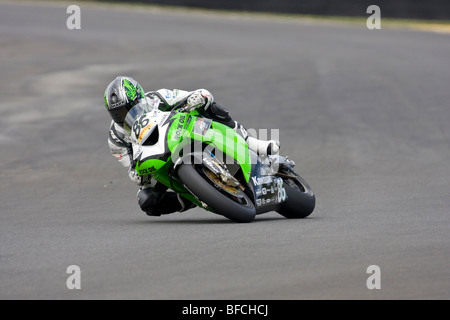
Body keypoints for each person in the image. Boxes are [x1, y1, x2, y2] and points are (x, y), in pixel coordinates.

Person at [104, 76, 280, 216]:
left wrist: (197, 98)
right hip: (155, 159)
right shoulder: (116, 137)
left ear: (139, 97)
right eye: (117, 113)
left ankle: (252, 142)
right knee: (147, 201)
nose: (124, 115)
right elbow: (131, 166)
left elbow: (191, 95)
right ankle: (197, 196)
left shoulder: (156, 98)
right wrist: (135, 174)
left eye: (129, 107)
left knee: (210, 107)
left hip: (181, 132)